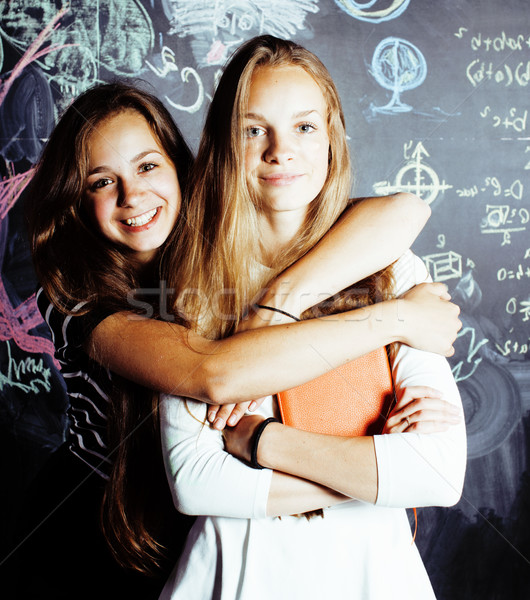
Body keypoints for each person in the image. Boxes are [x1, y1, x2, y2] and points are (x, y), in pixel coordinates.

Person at [18, 80, 453, 600]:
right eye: (100, 182)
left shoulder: (211, 250)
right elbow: (214, 374)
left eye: (148, 166)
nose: (132, 196)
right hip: (98, 533)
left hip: (211, 530)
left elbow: (402, 212)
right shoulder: (78, 300)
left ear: (183, 169)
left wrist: (280, 304)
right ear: (75, 200)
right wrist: (395, 320)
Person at [157, 36, 466, 599]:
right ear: (226, 144)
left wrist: (258, 441)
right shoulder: (191, 281)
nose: (281, 151)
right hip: (238, 575)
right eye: (255, 130)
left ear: (332, 140)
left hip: (374, 576)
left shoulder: (392, 267)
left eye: (304, 127)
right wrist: (375, 470)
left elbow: (437, 473)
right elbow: (197, 484)